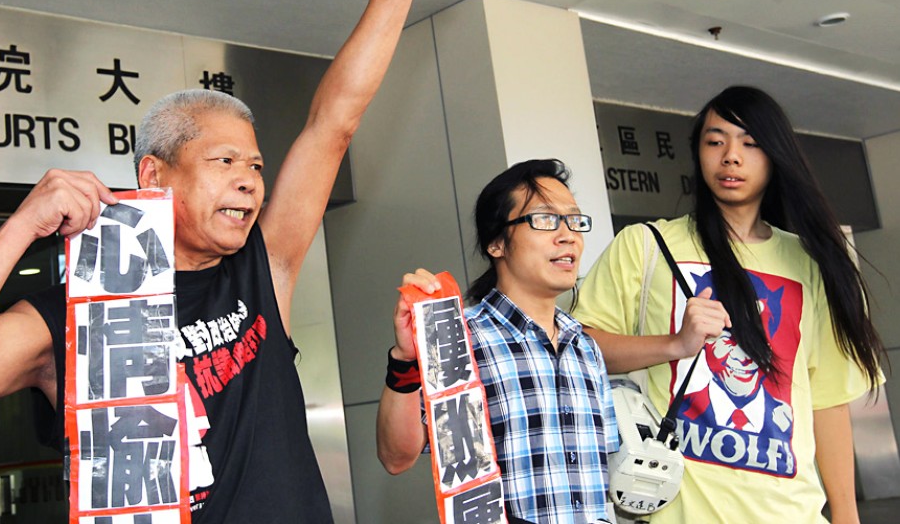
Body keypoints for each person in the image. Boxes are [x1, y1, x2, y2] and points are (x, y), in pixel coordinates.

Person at [0, 0, 451, 523]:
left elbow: (334, 122)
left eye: (256, 165)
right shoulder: (80, 314)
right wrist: (19, 229)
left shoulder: (260, 267)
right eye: (224, 160)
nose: (249, 179)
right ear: (154, 175)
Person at [575, 86, 885, 524]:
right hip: (679, 512)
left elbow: (829, 401)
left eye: (750, 143)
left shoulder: (810, 264)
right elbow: (579, 350)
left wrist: (847, 515)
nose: (731, 157)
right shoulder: (646, 246)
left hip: (792, 513)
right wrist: (674, 344)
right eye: (715, 141)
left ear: (774, 156)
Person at [376, 159, 620, 524]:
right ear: (496, 243)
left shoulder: (585, 348)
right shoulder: (461, 338)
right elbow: (397, 457)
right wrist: (405, 358)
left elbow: (605, 471)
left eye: (574, 220)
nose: (568, 234)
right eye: (545, 219)